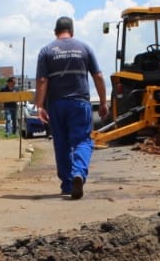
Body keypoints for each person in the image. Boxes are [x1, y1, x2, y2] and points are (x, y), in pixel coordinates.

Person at [35, 16, 108, 199]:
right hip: (80, 103)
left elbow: (42, 80)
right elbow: (98, 76)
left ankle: (68, 184)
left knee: (62, 145)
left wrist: (39, 106)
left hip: (56, 105)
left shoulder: (46, 51)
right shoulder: (84, 48)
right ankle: (78, 173)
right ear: (72, 31)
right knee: (83, 141)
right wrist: (103, 101)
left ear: (55, 32)